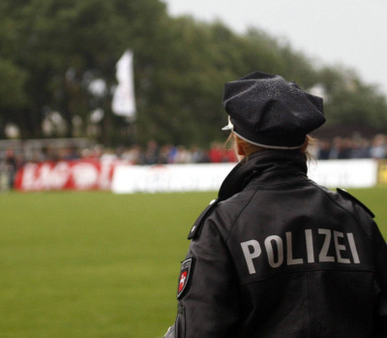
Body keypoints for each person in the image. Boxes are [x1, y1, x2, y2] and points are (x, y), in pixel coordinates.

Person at [165, 72, 387, 337]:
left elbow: (200, 329)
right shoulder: (354, 217)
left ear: (239, 145)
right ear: (305, 142)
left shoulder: (221, 225)